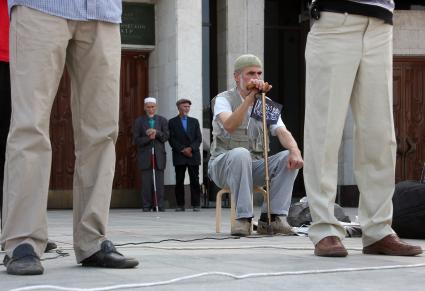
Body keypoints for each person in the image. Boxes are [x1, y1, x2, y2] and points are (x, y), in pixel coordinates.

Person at [1, 1, 139, 275]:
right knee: (30, 125)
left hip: (103, 11)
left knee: (102, 131)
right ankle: (22, 241)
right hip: (38, 7)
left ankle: (92, 240)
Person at [304, 0, 422, 257]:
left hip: (381, 24)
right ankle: (325, 228)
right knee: (324, 132)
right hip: (334, 20)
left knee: (380, 134)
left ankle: (378, 230)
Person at [208, 54, 304, 236]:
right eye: (250, 73)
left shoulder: (265, 102)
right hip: (223, 166)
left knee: (287, 158)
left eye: (259, 73)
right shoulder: (224, 99)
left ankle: (273, 218)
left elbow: (282, 131)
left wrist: (295, 151)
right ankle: (243, 219)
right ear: (237, 77)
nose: (256, 78)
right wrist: (250, 98)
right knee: (240, 153)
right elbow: (229, 125)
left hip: (254, 166)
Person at [134, 97, 169, 212]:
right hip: (145, 156)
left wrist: (157, 133)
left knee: (159, 182)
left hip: (158, 156)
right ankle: (146, 205)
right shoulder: (139, 121)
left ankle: (159, 204)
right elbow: (136, 140)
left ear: (156, 107)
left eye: (152, 107)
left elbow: (166, 137)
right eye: (148, 107)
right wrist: (149, 138)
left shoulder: (162, 120)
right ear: (145, 108)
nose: (151, 109)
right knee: (146, 183)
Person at [169, 99, 202, 212]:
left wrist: (190, 148)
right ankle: (180, 205)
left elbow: (199, 139)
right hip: (180, 155)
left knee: (195, 180)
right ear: (179, 107)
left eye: (188, 106)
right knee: (179, 181)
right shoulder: (172, 122)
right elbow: (171, 139)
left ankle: (196, 204)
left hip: (193, 155)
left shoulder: (195, 121)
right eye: (184, 106)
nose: (187, 108)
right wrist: (182, 149)